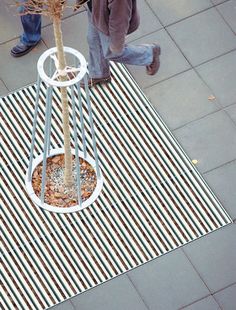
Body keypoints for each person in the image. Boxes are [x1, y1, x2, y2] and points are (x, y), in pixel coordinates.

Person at [84, 0, 161, 87]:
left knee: (111, 52)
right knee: (93, 40)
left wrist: (116, 44)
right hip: (96, 11)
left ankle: (149, 53)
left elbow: (120, 19)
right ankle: (99, 74)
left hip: (108, 23)